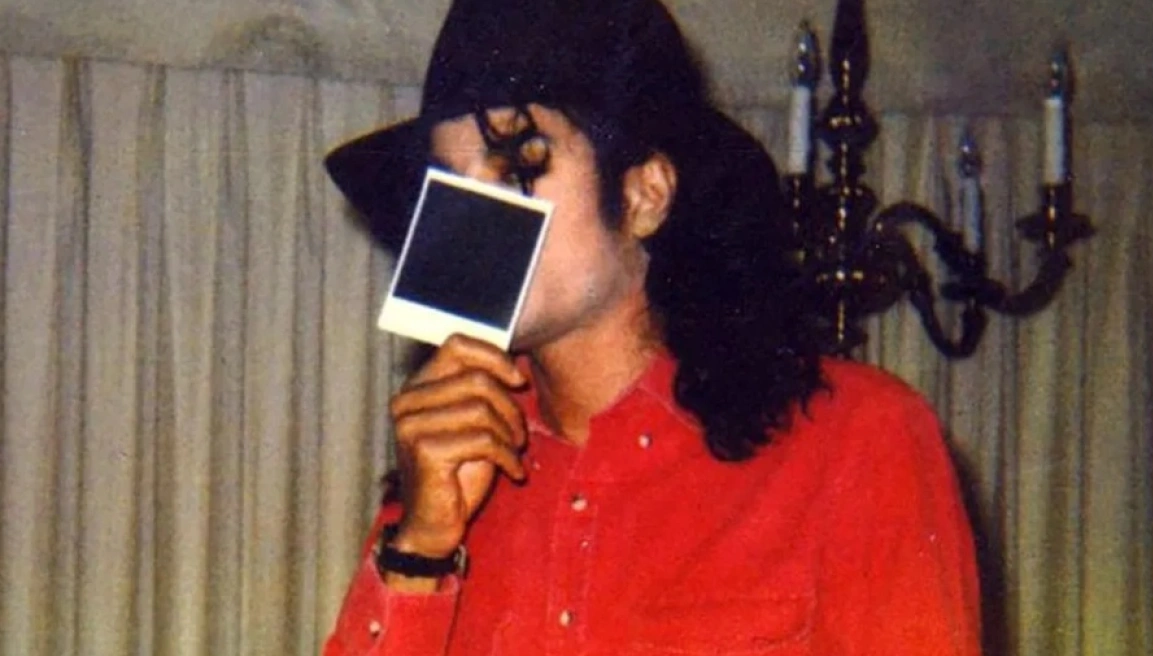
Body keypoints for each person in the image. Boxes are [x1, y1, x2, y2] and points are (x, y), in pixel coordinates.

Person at [321, 0, 982, 654]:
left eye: (519, 166)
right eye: (449, 186)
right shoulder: (451, 463)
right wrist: (421, 550)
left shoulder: (857, 442)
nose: (472, 220)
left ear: (645, 195)